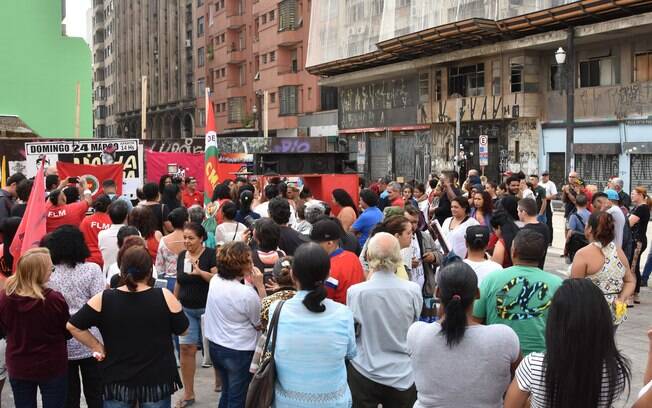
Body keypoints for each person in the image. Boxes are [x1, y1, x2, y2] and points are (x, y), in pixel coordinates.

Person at [67, 246, 189, 408]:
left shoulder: (105, 298)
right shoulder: (164, 296)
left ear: (121, 270)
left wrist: (96, 346)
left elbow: (73, 326)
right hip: (156, 378)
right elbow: (183, 330)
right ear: (149, 271)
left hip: (117, 378)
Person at [504, 279, 631, 408]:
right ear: (602, 320)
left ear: (556, 321)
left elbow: (511, 405)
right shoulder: (616, 369)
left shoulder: (534, 365)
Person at [409, 262, 520, 408]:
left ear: (437, 292)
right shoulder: (503, 337)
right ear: (478, 293)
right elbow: (520, 379)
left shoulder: (417, 333)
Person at [272, 242, 356, 407]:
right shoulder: (343, 314)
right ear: (328, 274)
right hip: (333, 402)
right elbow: (350, 353)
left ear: (293, 275)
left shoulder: (277, 310)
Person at [347, 233, 421, 407]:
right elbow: (414, 325)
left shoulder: (356, 292)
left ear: (369, 256)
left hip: (364, 369)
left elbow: (354, 330)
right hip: (402, 373)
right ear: (398, 255)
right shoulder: (412, 290)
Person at [43, 226, 105, 408]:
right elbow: (100, 303)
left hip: (62, 342)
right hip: (92, 339)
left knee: (69, 397)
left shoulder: (49, 273)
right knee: (96, 393)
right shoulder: (92, 269)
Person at [473, 229, 562, 356]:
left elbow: (475, 320)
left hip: (497, 356)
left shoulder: (492, 279)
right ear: (542, 254)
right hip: (540, 363)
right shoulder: (557, 284)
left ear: (513, 252)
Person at [0, 248, 69, 407]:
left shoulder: (5, 297)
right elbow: (67, 331)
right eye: (50, 269)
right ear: (39, 272)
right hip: (52, 365)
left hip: (19, 364)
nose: (52, 272)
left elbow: (3, 329)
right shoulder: (53, 299)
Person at [204, 242, 265, 408]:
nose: (252, 264)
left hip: (216, 345)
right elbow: (261, 321)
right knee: (238, 398)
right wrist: (260, 286)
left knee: (228, 393)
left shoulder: (216, 280)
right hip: (239, 350)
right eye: (249, 261)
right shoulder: (246, 293)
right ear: (241, 266)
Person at [174, 222, 217, 407]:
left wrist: (199, 272)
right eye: (185, 237)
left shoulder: (211, 255)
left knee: (214, 348)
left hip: (208, 308)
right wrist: (174, 301)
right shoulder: (182, 255)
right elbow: (179, 281)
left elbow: (216, 279)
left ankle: (219, 379)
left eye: (191, 238)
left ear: (201, 239)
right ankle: (188, 392)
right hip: (186, 308)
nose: (187, 241)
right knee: (186, 349)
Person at [571, 211, 635, 322]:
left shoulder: (583, 254)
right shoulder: (618, 251)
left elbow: (575, 290)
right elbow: (630, 281)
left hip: (590, 313)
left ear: (590, 229)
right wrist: (621, 298)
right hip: (615, 313)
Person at [310, 218, 365, 304]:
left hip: (337, 313)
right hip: (356, 309)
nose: (312, 246)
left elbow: (323, 302)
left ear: (329, 243)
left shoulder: (328, 268)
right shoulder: (353, 257)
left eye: (316, 243)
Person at [155, 207, 188, 291]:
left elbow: (159, 268)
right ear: (186, 222)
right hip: (188, 280)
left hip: (169, 282)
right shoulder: (191, 240)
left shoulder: (164, 240)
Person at [259, 256, 296, 330]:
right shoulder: (306, 299)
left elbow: (264, 327)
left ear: (274, 277)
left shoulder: (268, 302)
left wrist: (260, 287)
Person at [251, 218, 285, 291]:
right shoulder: (282, 254)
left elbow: (249, 285)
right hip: (279, 298)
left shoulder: (251, 257)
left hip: (259, 298)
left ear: (255, 235)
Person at [629, 186, 651, 302]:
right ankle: (636, 293)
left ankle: (631, 295)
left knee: (632, 267)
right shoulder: (639, 207)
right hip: (637, 240)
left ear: (640, 195)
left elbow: (629, 223)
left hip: (638, 241)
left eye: (633, 193)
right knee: (635, 266)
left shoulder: (642, 208)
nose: (631, 195)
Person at [79, 194, 112, 268]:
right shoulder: (111, 221)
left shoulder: (86, 220)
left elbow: (80, 239)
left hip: (88, 260)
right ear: (109, 207)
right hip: (105, 260)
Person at [98, 200, 129, 276]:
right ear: (127, 216)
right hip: (128, 277)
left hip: (108, 276)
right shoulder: (135, 232)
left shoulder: (102, 234)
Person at [518, 198, 550, 270]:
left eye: (518, 211)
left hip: (525, 270)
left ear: (523, 212)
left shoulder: (523, 231)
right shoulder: (545, 228)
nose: (518, 214)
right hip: (539, 268)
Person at [539, 171, 557, 244]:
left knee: (548, 223)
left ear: (548, 176)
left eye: (546, 176)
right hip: (539, 204)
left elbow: (554, 196)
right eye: (543, 175)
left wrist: (545, 198)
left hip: (548, 204)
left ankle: (549, 240)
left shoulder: (551, 184)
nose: (544, 177)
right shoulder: (539, 184)